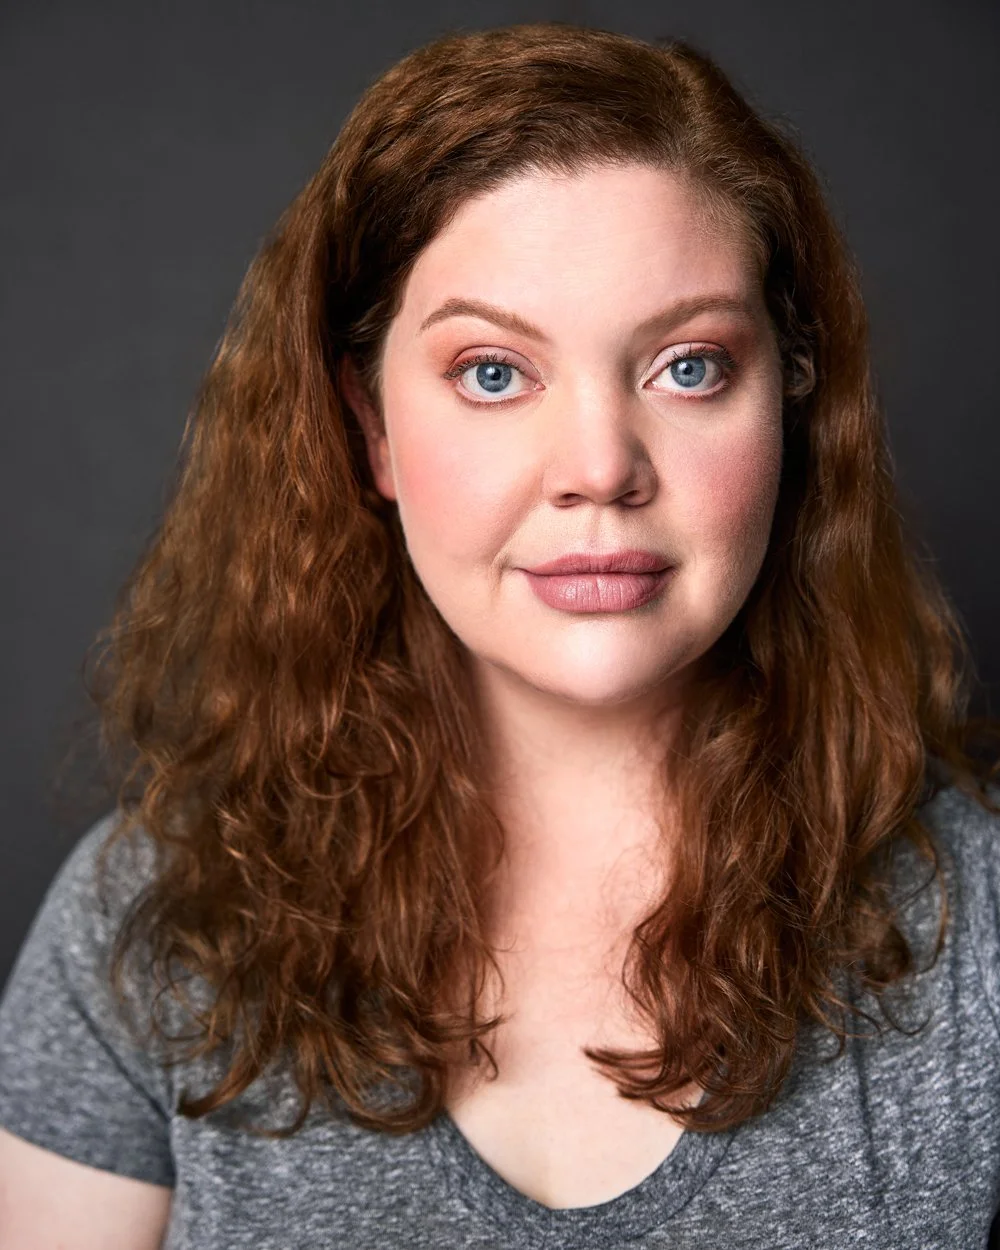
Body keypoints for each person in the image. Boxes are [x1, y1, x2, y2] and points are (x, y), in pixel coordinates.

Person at [1, 19, 999, 1249]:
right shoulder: (150, 923)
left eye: (688, 366)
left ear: (788, 405)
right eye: (491, 372)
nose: (599, 466)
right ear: (371, 429)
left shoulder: (981, 928)